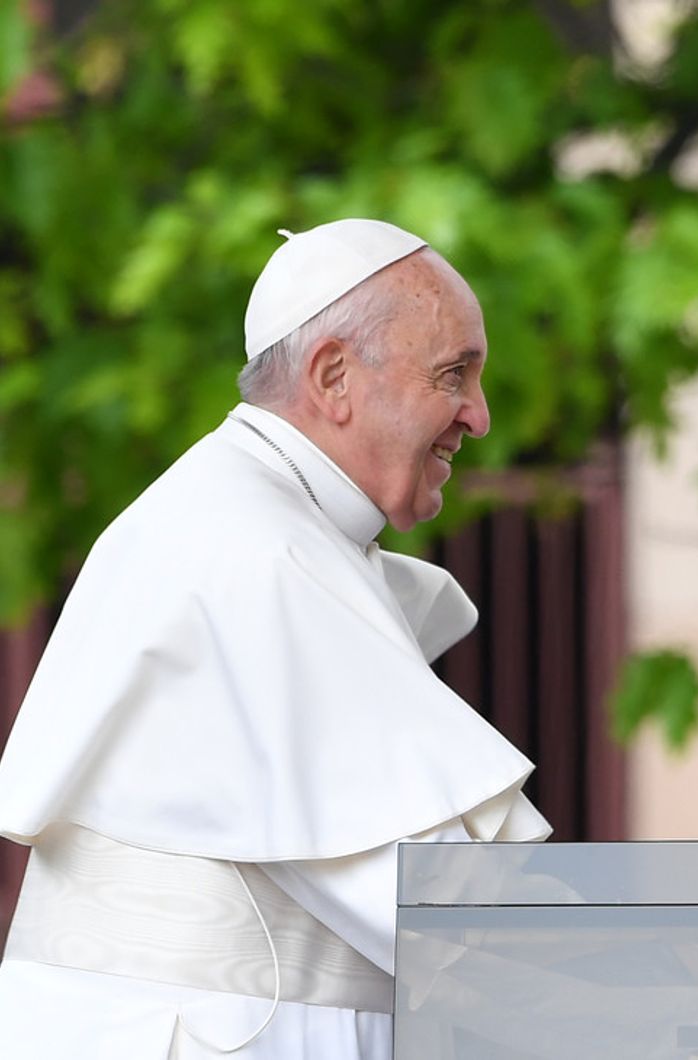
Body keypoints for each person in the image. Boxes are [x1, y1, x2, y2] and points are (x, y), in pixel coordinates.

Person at [0, 219, 550, 1058]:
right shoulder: (257, 550)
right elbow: (447, 903)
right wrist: (679, 991)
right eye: (453, 375)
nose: (476, 415)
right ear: (334, 377)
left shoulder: (243, 517)